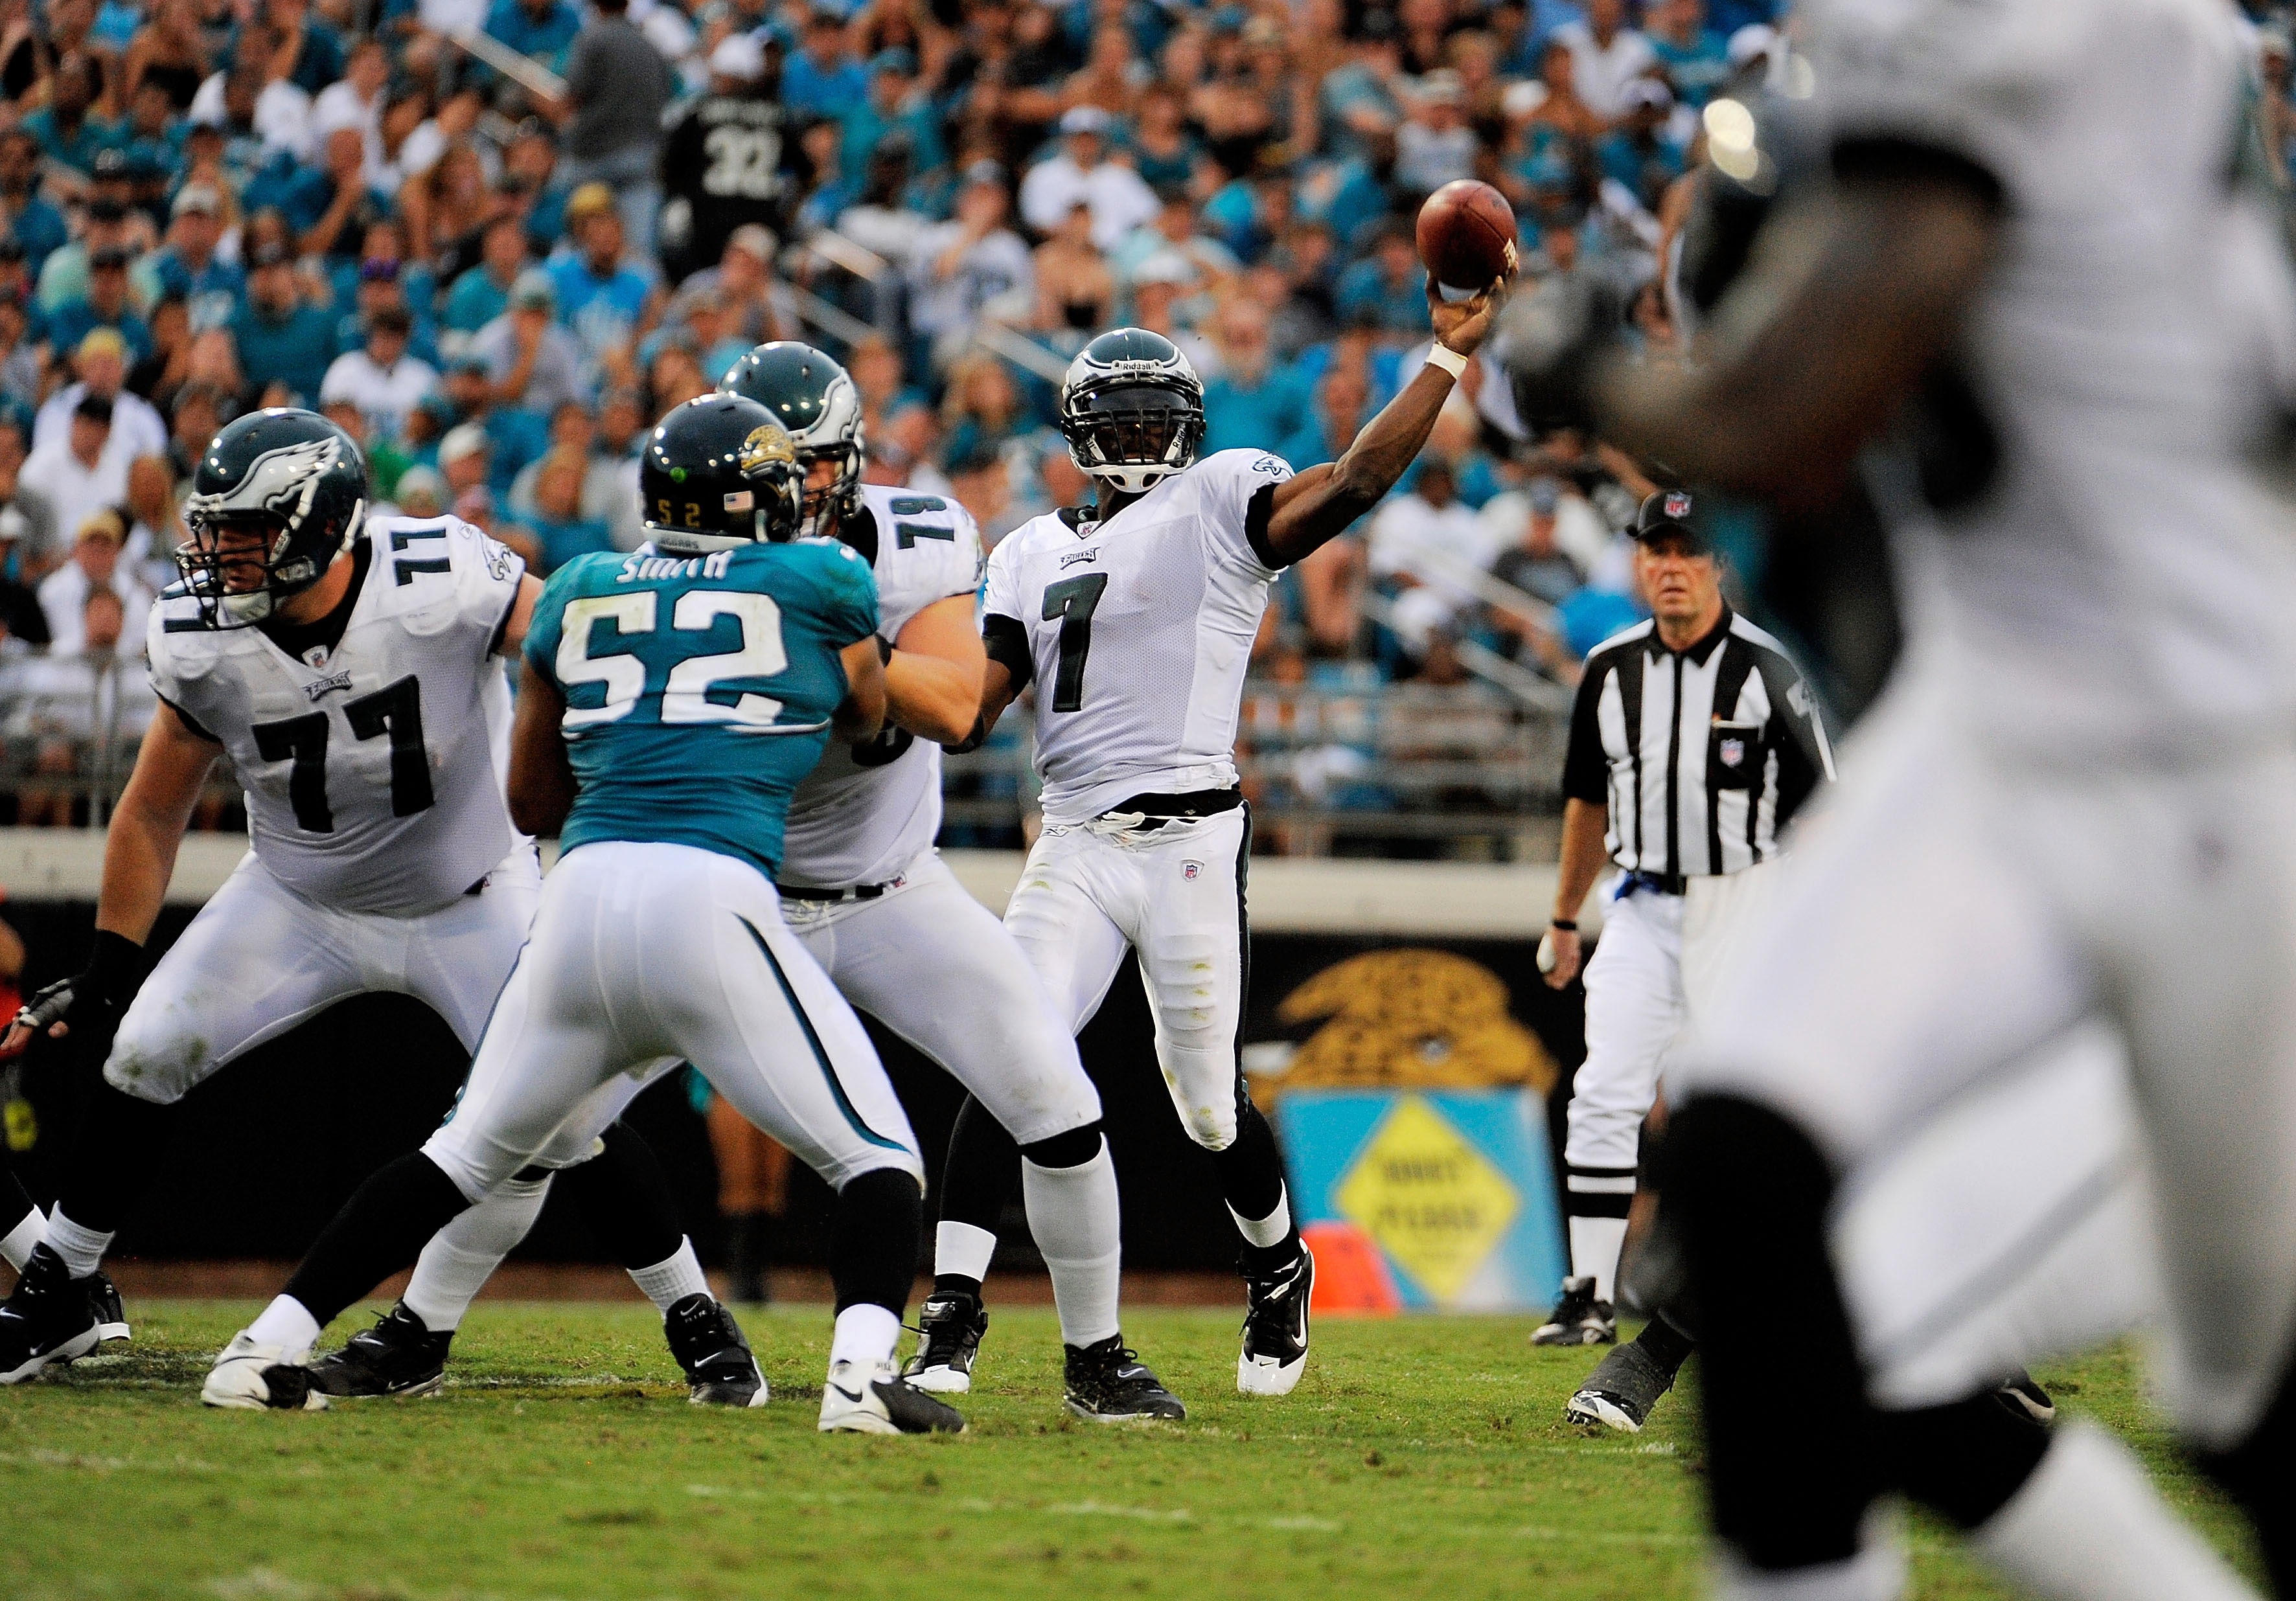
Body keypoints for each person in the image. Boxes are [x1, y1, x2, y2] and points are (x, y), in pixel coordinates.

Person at [1504, 0, 2296, 1593]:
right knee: (1744, 1169)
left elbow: (1780, 422)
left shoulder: (2025, 31)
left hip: (2210, 759)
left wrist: (1587, 362)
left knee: (2249, 1418)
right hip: (2000, 722)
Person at [196, 396, 963, 1438]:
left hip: (577, 896)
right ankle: (862, 1377)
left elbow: (532, 805)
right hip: (711, 893)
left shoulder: (587, 587)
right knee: (879, 1158)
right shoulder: (824, 577)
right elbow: (871, 716)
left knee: (464, 1152)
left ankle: (265, 1346)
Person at [0, 411, 759, 1409]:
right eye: (214, 530)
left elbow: (579, 645)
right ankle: (61, 1285)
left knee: (570, 1112)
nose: (215, 555)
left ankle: (695, 1314)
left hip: (470, 893)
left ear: (318, 526)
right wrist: (110, 962)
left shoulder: (440, 575)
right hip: (297, 894)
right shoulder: (198, 634)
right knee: (144, 1050)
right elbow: (151, 805)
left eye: (244, 531)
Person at [927, 279, 1506, 1400]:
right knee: (1011, 1048)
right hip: (1078, 838)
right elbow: (975, 705)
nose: (1143, 434)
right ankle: (951, 1307)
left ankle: (1277, 1264)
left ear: (1187, 423)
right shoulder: (1023, 553)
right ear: (1083, 432)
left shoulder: (1219, 496)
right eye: (1123, 415)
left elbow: (1352, 480)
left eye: (1158, 414)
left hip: (1189, 837)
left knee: (1200, 1099)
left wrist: (1440, 360)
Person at [1530, 490, 1828, 1419]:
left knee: (1729, 1116)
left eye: (1685, 551)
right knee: (1604, 1086)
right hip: (1642, 899)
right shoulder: (1610, 670)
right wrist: (1565, 915)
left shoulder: (1773, 670)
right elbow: (1586, 800)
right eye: (1654, 549)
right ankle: (1587, 1294)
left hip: (1744, 898)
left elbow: (1829, 807)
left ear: (1717, 567)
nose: (1667, 565)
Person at [655, 34, 792, 286]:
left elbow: (668, 167)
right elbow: (806, 171)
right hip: (759, 227)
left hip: (707, 225)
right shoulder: (779, 116)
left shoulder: (697, 112)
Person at [544, 0, 674, 257]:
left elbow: (572, 98)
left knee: (569, 240)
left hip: (591, 159)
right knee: (639, 251)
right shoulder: (650, 46)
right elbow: (665, 98)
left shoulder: (593, 39)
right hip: (642, 157)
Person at [1018, 106, 1160, 253]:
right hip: (1063, 253)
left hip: (1117, 256)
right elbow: (1039, 224)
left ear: (1102, 141)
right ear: (1066, 140)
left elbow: (1152, 217)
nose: (1085, 145)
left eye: (1092, 139)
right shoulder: (1043, 175)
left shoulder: (1121, 176)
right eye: (1079, 138)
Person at [36, 509, 156, 657]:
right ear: (77, 548)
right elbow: (46, 644)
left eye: (105, 544)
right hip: (66, 669)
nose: (98, 551)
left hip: (122, 671)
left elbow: (142, 646)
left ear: (118, 550)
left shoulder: (136, 594)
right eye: (91, 543)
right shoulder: (52, 591)